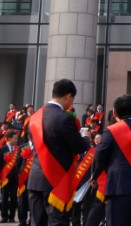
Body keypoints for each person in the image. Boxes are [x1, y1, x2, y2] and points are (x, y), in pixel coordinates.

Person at [28, 79, 91, 226]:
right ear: (68, 96)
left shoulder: (34, 117)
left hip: (35, 179)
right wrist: (86, 138)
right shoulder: (65, 118)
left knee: (37, 222)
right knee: (57, 222)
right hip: (56, 180)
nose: (72, 102)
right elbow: (78, 147)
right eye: (73, 98)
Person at [91, 94, 131, 226]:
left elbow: (99, 157)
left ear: (114, 113)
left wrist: (95, 176)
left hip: (118, 188)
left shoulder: (111, 131)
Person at [0, 131, 20, 223]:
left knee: (14, 197)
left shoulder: (18, 149)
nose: (16, 140)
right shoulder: (2, 149)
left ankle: (12, 217)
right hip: (5, 177)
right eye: (15, 138)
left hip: (15, 177)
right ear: (9, 139)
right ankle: (4, 216)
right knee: (4, 197)